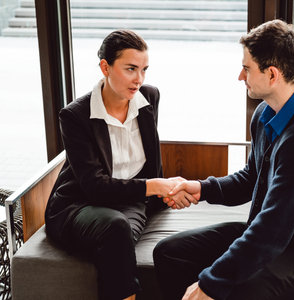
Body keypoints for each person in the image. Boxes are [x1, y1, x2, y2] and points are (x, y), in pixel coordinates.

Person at [153, 19, 294, 300]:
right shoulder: (266, 113)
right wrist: (202, 189)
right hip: (271, 236)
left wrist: (209, 283)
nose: (240, 77)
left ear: (272, 74)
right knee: (170, 253)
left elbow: (273, 230)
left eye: (246, 68)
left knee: (242, 289)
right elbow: (251, 178)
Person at [44, 30, 196, 300]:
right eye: (130, 69)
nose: (139, 79)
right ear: (105, 67)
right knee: (116, 228)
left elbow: (151, 165)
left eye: (144, 69)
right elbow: (94, 186)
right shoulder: (75, 115)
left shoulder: (149, 97)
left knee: (118, 230)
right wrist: (155, 186)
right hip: (79, 204)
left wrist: (166, 191)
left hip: (128, 202)